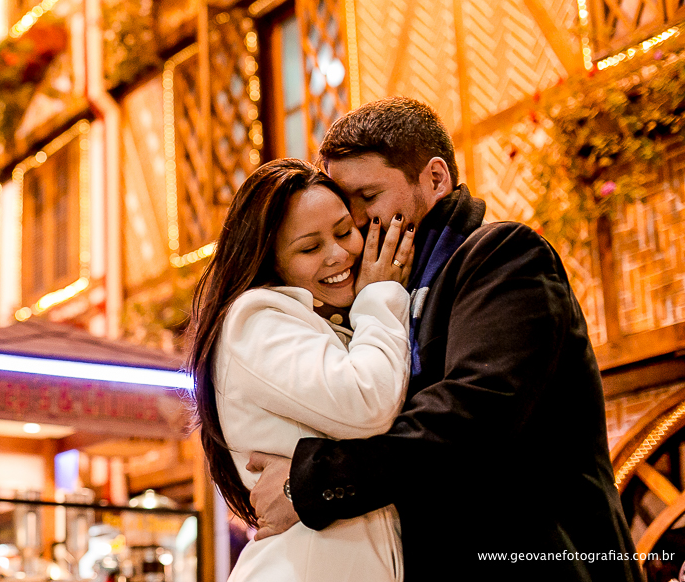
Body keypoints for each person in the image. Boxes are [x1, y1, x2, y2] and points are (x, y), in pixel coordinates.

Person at [246, 98, 640, 581]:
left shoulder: (502, 255)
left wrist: (310, 483)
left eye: (368, 197)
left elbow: (477, 412)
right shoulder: (384, 294)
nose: (356, 224)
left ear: (435, 178)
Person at [189, 158, 415, 581]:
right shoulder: (254, 320)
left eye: (345, 231)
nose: (339, 254)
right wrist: (381, 293)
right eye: (309, 248)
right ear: (273, 264)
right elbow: (367, 401)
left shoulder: (323, 322)